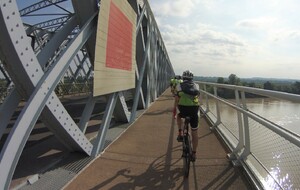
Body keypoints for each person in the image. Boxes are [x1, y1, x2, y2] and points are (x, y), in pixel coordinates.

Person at [174, 70, 200, 162]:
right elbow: (198, 98)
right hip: (194, 110)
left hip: (183, 110)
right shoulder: (197, 85)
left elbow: (177, 100)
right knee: (195, 132)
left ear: (183, 78)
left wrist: (176, 109)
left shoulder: (178, 86)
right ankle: (194, 153)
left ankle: (180, 132)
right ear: (192, 78)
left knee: (178, 116)